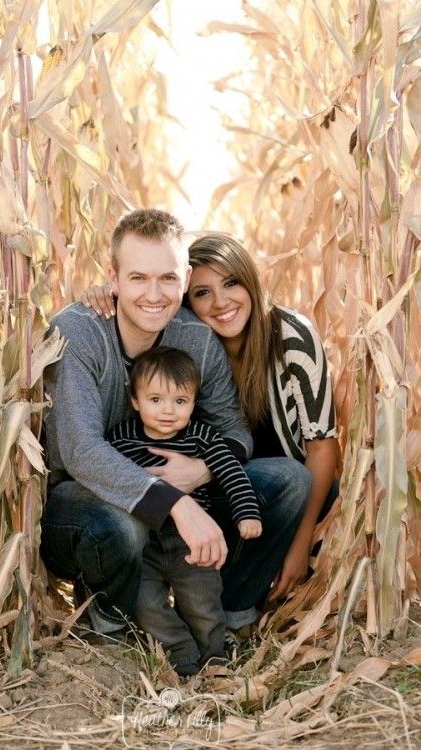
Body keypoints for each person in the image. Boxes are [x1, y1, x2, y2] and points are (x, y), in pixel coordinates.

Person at [42, 209, 304, 643]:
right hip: (82, 501)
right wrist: (177, 505)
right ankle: (113, 624)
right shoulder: (79, 334)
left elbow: (234, 431)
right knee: (123, 525)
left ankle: (224, 611)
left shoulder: (195, 338)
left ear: (184, 279)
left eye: (167, 278)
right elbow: (80, 452)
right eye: (138, 278)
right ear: (113, 277)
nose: (154, 294)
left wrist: (203, 471)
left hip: (180, 484)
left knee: (289, 480)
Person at [84, 232, 338, 608]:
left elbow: (322, 448)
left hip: (274, 493)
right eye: (202, 293)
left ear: (250, 281)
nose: (221, 303)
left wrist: (299, 549)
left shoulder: (289, 337)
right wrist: (104, 294)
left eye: (232, 283)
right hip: (207, 493)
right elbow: (143, 304)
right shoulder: (191, 343)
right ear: (187, 298)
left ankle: (235, 604)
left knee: (296, 482)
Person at [108, 346, 262, 674]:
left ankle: (215, 653)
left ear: (193, 403)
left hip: (191, 543)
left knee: (202, 601)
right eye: (155, 400)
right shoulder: (119, 440)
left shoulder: (201, 438)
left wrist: (247, 512)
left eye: (180, 401)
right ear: (135, 401)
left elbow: (231, 471)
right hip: (145, 542)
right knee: (146, 603)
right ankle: (181, 654)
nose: (168, 411)